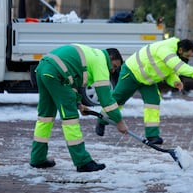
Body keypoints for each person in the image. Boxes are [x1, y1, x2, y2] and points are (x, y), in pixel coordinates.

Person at [30, 44, 128, 172]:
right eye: (114, 66)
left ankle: (37, 158)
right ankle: (83, 162)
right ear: (110, 57)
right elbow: (106, 99)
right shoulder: (101, 61)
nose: (113, 71)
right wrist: (119, 121)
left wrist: (79, 104)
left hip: (43, 68)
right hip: (56, 73)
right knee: (70, 119)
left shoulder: (91, 55)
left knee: (45, 117)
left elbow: (72, 83)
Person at [95, 37, 193, 144]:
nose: (188, 58)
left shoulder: (175, 55)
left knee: (153, 102)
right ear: (180, 50)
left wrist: (175, 82)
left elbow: (170, 72)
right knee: (118, 98)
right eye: (187, 55)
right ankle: (102, 120)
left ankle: (152, 135)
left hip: (147, 80)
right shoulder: (166, 49)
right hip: (132, 73)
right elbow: (176, 65)